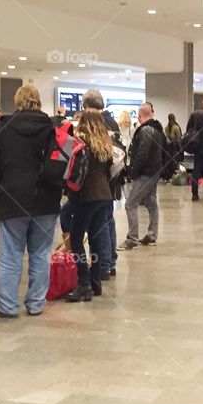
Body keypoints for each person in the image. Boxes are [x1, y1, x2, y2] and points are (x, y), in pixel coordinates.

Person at [0, 84, 60, 318]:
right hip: (47, 199)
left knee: (11, 255)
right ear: (38, 101)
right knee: (40, 254)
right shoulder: (52, 129)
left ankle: (7, 306)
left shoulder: (3, 130)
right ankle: (36, 304)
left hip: (12, 199)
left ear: (17, 102)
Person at [64, 110, 116, 302]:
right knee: (96, 240)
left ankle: (83, 284)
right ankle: (95, 283)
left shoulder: (79, 142)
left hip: (85, 195)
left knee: (76, 240)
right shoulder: (105, 144)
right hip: (104, 195)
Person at [82, 89, 119, 279]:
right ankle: (110, 262)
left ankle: (103, 265)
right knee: (108, 221)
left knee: (98, 225)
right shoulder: (112, 122)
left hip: (94, 185)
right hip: (110, 182)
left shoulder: (91, 124)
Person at [123, 103, 164, 250]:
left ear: (140, 116)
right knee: (151, 202)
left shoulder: (145, 130)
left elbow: (142, 154)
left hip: (145, 173)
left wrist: (133, 170)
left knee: (130, 204)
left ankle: (132, 238)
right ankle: (152, 235)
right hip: (155, 171)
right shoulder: (157, 129)